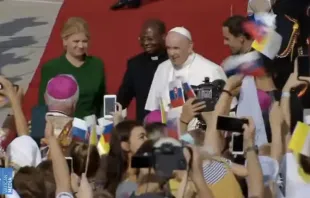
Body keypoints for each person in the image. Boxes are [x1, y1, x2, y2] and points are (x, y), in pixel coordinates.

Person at [38, 17, 106, 119]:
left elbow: (102, 100)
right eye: (76, 41)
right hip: (60, 127)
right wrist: (38, 132)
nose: (81, 45)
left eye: (84, 41)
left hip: (90, 127)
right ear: (65, 41)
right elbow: (42, 104)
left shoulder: (97, 65)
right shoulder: (51, 67)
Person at [145, 26, 227, 111]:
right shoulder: (162, 68)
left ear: (189, 47)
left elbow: (226, 108)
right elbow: (152, 107)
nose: (171, 53)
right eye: (168, 48)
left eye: (176, 48)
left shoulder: (211, 70)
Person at [117, 19, 168, 122]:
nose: (145, 43)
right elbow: (123, 97)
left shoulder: (172, 61)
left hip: (171, 124)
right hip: (145, 125)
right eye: (142, 39)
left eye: (150, 39)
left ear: (163, 37)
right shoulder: (135, 64)